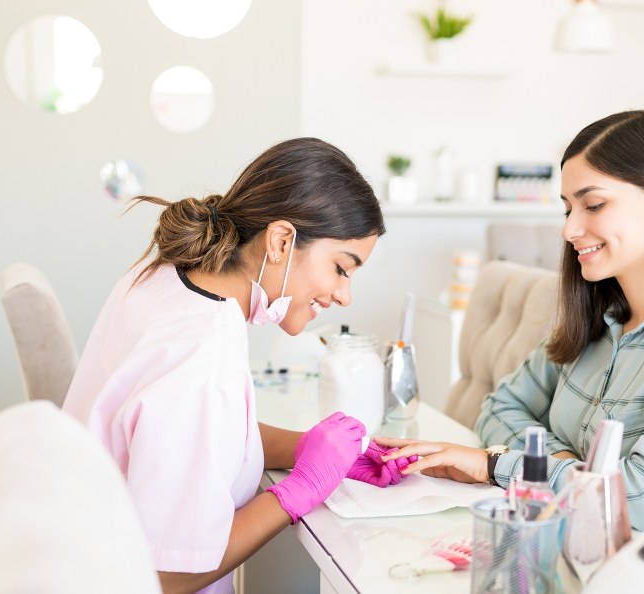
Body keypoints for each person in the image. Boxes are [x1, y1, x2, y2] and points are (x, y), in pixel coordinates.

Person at [377, 109, 644, 546]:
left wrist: (497, 466)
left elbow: (642, 500)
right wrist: (566, 464)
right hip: (577, 555)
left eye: (594, 205)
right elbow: (499, 408)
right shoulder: (598, 321)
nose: (570, 228)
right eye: (568, 208)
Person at [62, 138, 412, 594]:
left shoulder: (169, 278)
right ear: (282, 241)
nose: (345, 296)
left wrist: (309, 449)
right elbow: (172, 574)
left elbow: (199, 434)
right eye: (342, 269)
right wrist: (299, 491)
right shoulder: (200, 358)